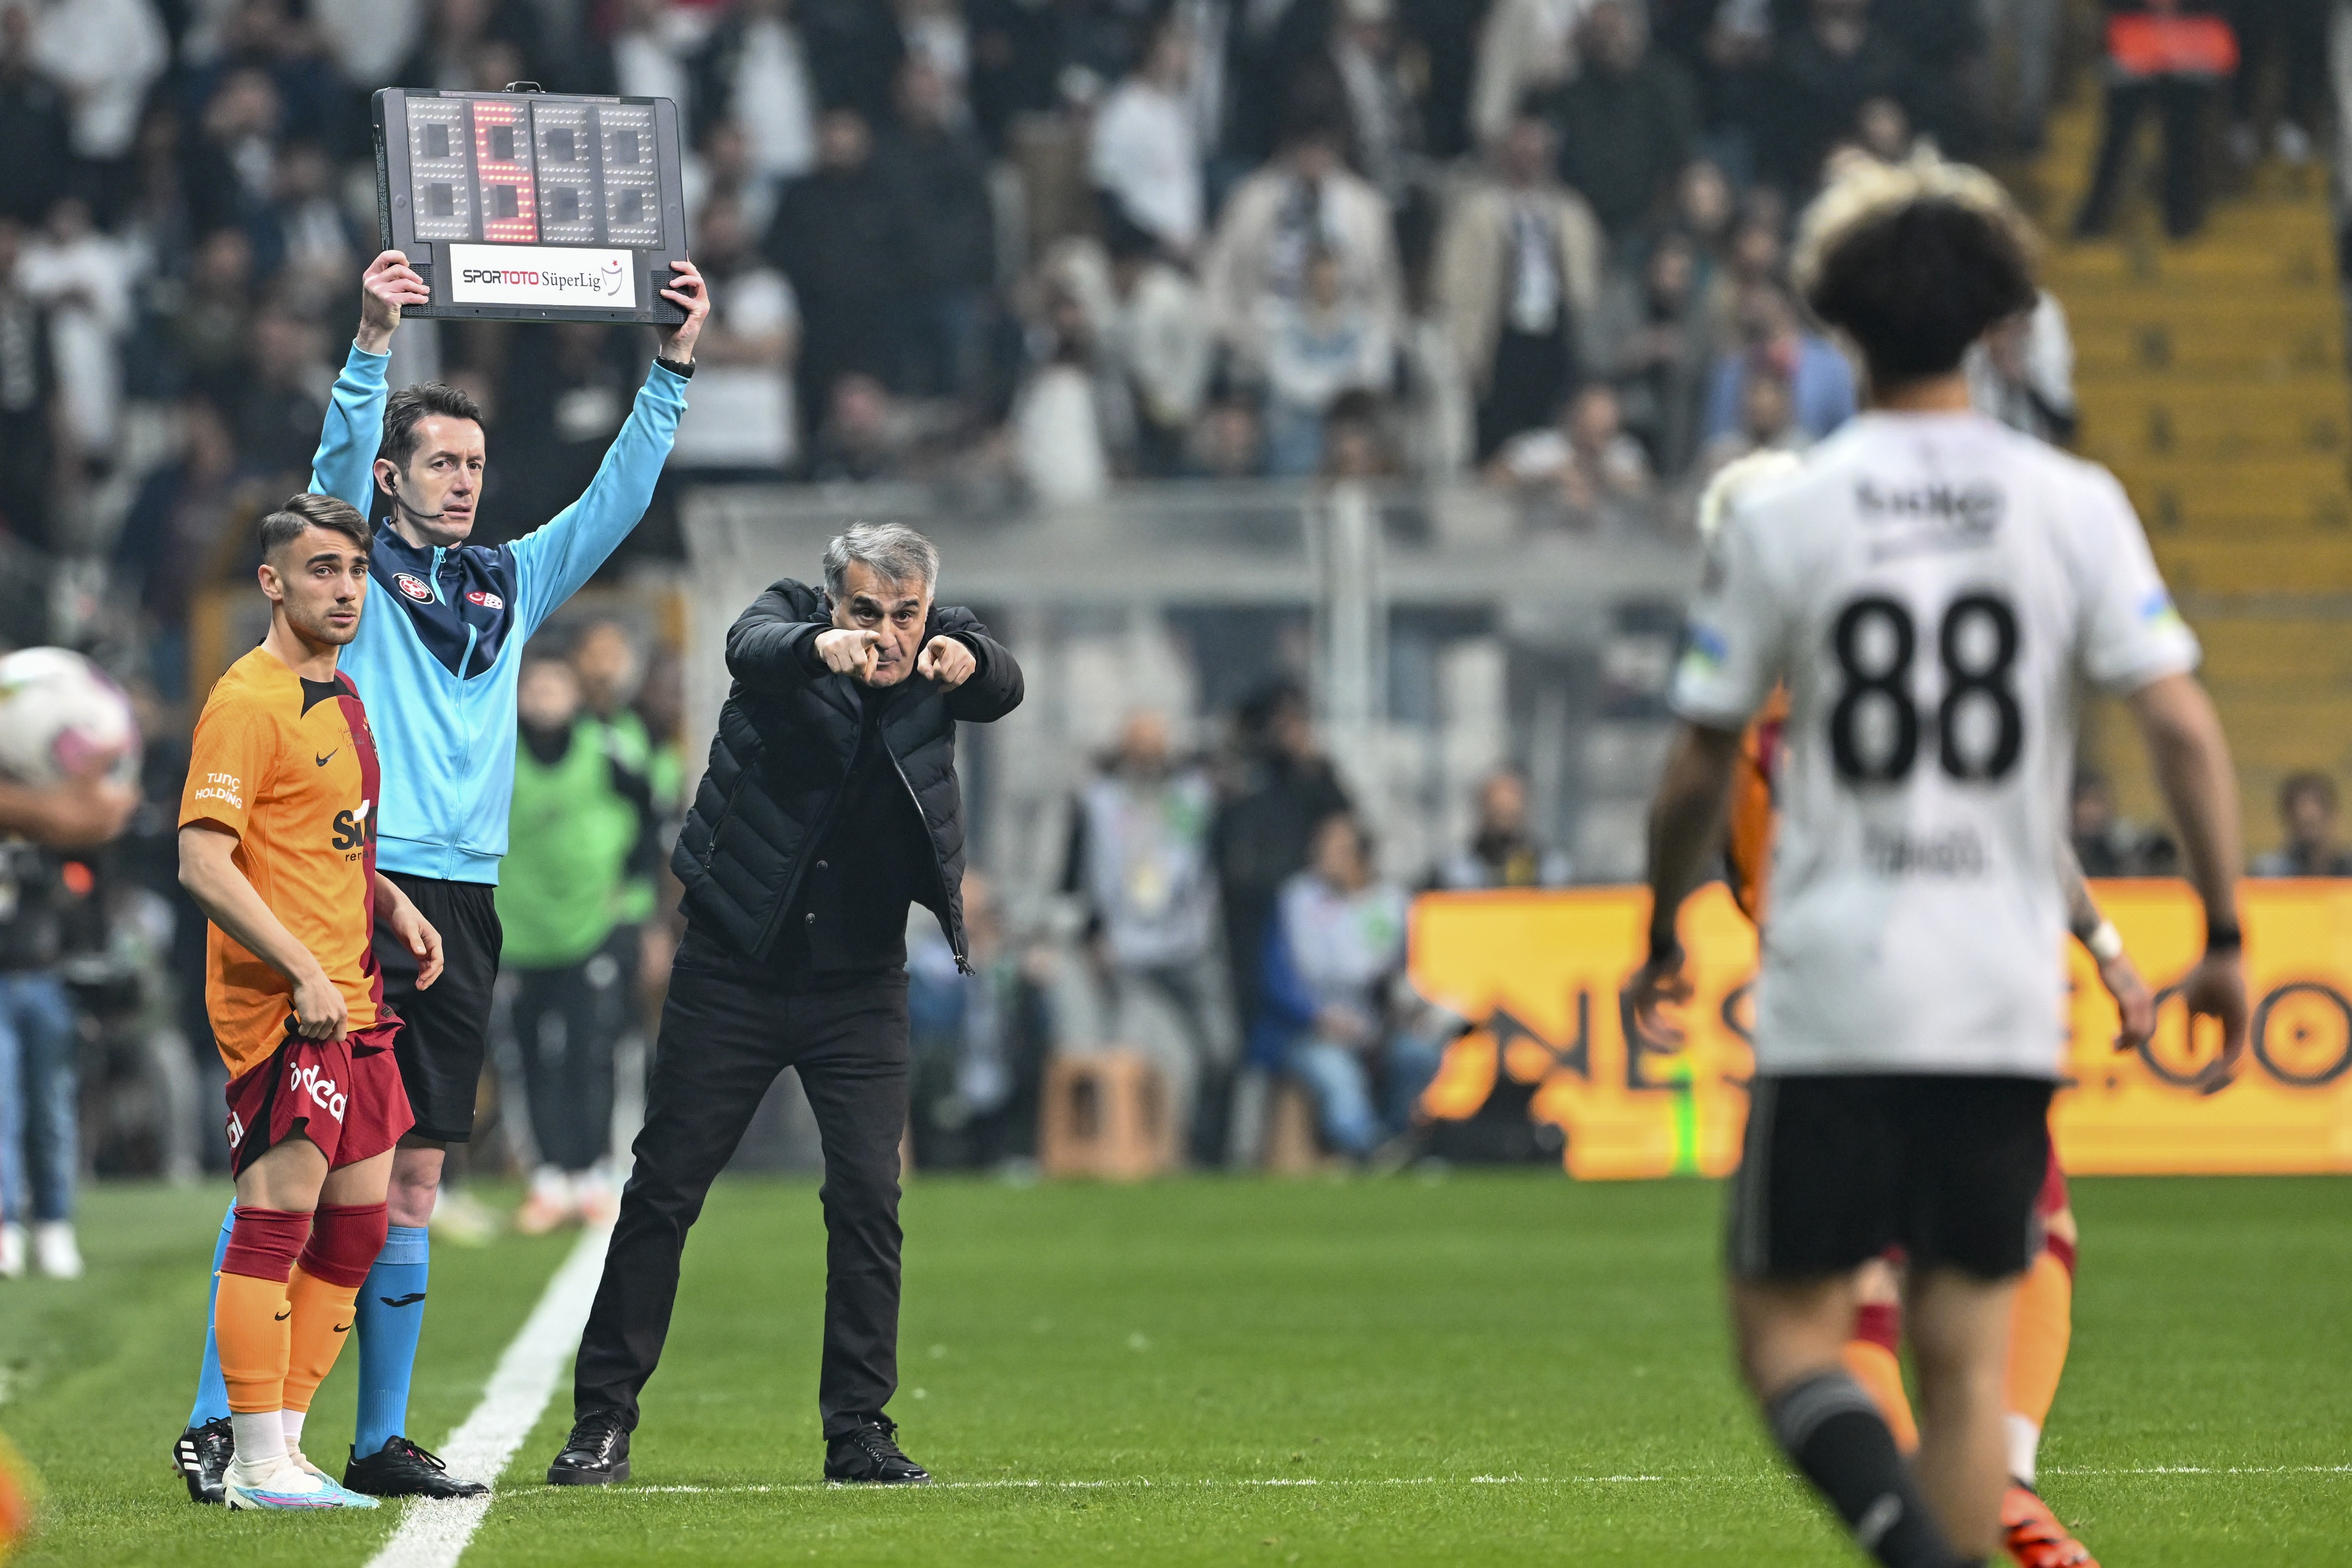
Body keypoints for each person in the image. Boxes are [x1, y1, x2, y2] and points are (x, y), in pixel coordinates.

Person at [1630, 152, 2247, 1567]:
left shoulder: (1781, 513)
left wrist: (1657, 927)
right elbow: (2180, 725)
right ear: (1996, 318)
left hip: (1839, 981)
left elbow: (1692, 759)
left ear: (1835, 321)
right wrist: (2215, 932)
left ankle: (1918, 1548)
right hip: (1993, 986)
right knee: (1966, 1368)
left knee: (1784, 1332)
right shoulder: (2068, 501)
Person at [170, 249, 708, 1505]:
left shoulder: (511, 583)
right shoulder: (355, 579)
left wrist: (673, 367)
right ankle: (219, 1423)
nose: (461, 481)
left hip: (461, 900)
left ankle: (379, 1433)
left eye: (472, 463)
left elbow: (617, 499)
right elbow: (320, 485)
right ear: (393, 478)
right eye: (438, 464)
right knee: (290, 1164)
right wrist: (371, 340)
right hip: (354, 882)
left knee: (410, 1173)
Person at [1700, 449, 2152, 1568]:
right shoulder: (1920, 644)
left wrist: (1661, 921)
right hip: (1983, 992)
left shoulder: (1752, 680)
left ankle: (1930, 1519)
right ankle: (2006, 1475)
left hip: (1838, 1011)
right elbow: (2027, 813)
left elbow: (1699, 799)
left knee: (1822, 1301)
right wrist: (2103, 942)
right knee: (2027, 1240)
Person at [547, 522, 1022, 1489]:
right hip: (734, 968)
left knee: (867, 1200)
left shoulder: (944, 651)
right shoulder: (785, 629)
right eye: (865, 612)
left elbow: (1003, 682)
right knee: (665, 1187)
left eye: (906, 614)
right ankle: (602, 1419)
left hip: (858, 981)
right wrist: (821, 648)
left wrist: (963, 656)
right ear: (830, 601)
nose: (886, 633)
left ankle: (858, 1430)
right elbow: (747, 646)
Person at [175, 493, 445, 1510]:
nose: (345, 590)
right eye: (322, 570)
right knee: (278, 1214)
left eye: (357, 570)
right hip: (287, 1003)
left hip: (356, 992)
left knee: (356, 1226)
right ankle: (249, 1458)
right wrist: (297, 970)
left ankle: (284, 1447)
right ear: (272, 582)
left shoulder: (345, 698)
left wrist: (390, 898)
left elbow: (317, 840)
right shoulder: (247, 699)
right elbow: (205, 862)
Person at [499, 653, 653, 1235]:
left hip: (591, 926)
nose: (543, 696)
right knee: (531, 1059)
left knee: (594, 1051)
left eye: (553, 684)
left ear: (574, 693)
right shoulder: (496, 750)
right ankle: (549, 1181)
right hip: (519, 931)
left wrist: (632, 900)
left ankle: (595, 1175)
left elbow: (652, 816)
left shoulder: (606, 749)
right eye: (533, 685)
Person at [1061, 710, 1230, 1163]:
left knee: (1220, 1048)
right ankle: (1138, 1149)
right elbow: (1075, 877)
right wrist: (1091, 933)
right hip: (1126, 948)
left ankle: (1210, 1147)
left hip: (1189, 943)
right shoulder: (1099, 802)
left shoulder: (1192, 798)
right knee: (1142, 1051)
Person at [1250, 811, 1445, 1160]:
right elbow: (1274, 979)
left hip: (1375, 1029)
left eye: (1333, 849)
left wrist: (1406, 1011)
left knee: (1418, 1055)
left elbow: (1403, 977)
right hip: (1309, 1029)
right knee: (1336, 1073)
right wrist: (1317, 1017)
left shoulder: (1391, 905)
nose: (1320, 856)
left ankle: (1397, 1138)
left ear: (1360, 856)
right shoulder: (1297, 900)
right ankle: (1365, 1148)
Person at [1432, 768, 1572, 890]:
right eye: (1497, 812)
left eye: (1510, 814)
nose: (1504, 821)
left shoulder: (1551, 871)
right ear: (1482, 810)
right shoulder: (1456, 874)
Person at [2252, 773, 2352, 876]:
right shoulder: (2269, 872)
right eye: (2304, 826)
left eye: (2313, 823)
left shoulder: (2349, 868)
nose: (2307, 815)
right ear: (2287, 820)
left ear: (2334, 815)